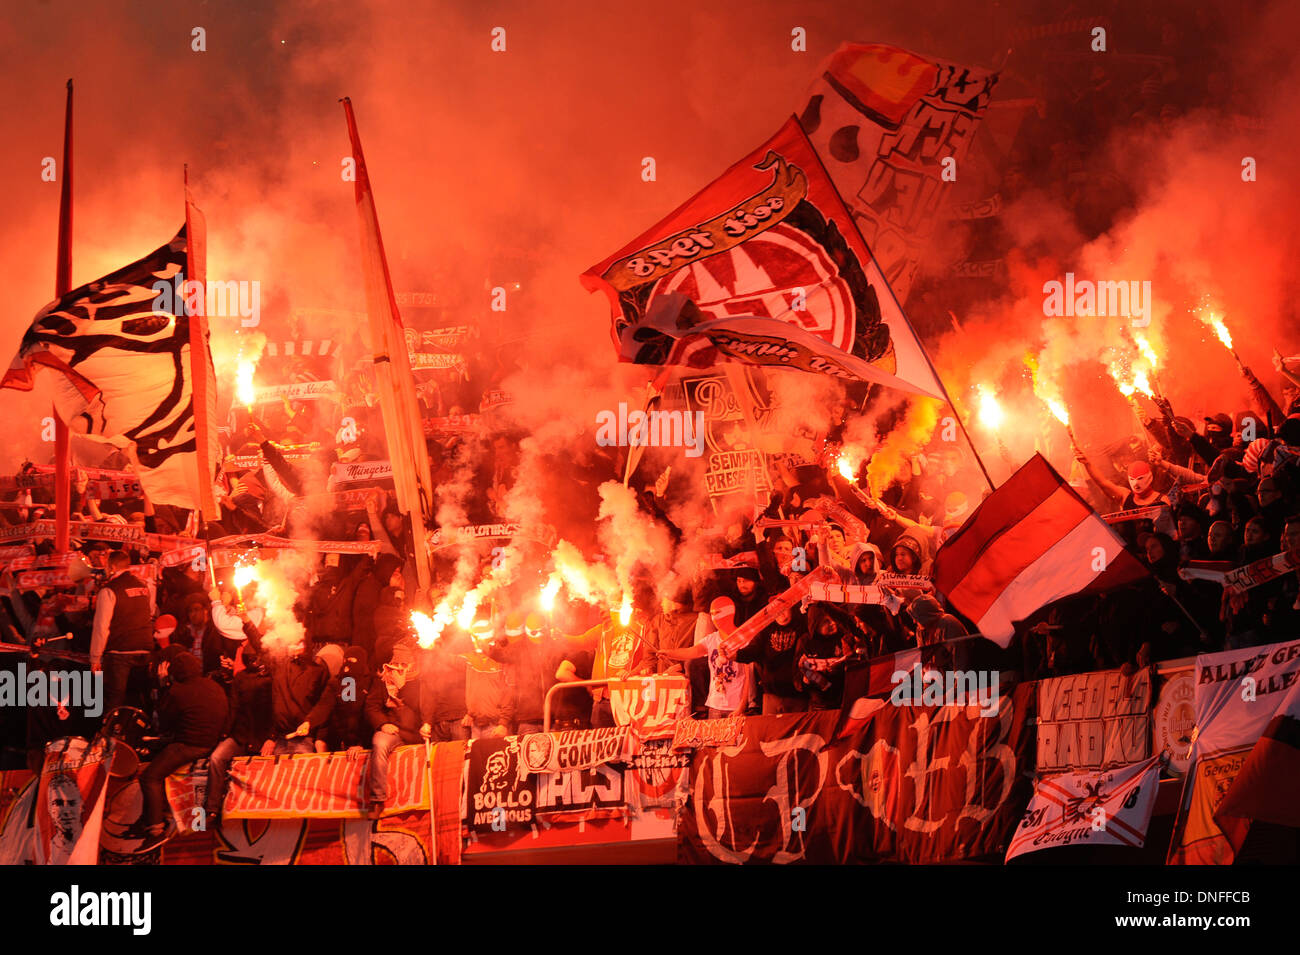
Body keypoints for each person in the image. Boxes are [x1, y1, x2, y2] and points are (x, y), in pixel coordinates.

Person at [134, 648, 227, 848]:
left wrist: (163, 686)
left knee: (150, 777)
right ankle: (146, 817)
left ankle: (155, 829)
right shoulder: (214, 686)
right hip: (211, 742)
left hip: (190, 745)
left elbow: (163, 723)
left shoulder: (177, 691)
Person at [361, 638, 431, 817]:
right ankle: (377, 799)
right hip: (392, 732)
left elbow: (420, 708)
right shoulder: (381, 683)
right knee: (379, 742)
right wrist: (383, 724)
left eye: (403, 664)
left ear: (410, 665)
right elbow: (371, 707)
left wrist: (402, 687)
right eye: (395, 663)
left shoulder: (419, 683)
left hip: (413, 733)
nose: (399, 668)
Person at [204, 641, 272, 825]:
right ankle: (212, 809)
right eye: (249, 658)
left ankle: (264, 811)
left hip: (262, 737)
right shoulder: (240, 678)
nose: (252, 661)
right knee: (217, 758)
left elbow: (275, 710)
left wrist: (271, 738)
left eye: (255, 658)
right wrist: (224, 734)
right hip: (241, 735)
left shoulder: (271, 678)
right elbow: (233, 708)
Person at [656, 597, 747, 719]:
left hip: (735, 705)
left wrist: (742, 706)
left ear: (729, 612)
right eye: (712, 613)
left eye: (718, 612)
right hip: (715, 705)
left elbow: (748, 678)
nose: (714, 617)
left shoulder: (744, 640)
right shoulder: (711, 639)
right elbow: (691, 652)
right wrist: (669, 653)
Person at [90, 550, 156, 716]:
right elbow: (150, 612)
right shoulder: (143, 586)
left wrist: (95, 658)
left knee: (114, 703)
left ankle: (109, 737)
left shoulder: (109, 590)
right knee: (140, 702)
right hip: (145, 651)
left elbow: (101, 627)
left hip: (120, 653)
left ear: (111, 567)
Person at [264, 642, 337, 755]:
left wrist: (320, 738)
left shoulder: (321, 674)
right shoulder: (281, 670)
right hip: (283, 738)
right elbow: (277, 706)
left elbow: (325, 707)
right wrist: (271, 736)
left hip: (305, 740)